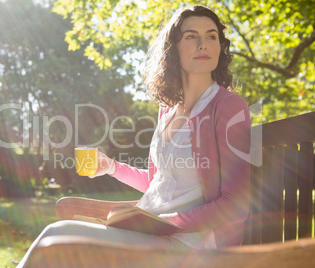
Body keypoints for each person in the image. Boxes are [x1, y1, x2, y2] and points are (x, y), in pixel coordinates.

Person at [18, 4, 251, 267]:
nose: (203, 44)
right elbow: (158, 183)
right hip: (149, 233)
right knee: (56, 238)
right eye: (191, 36)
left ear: (220, 46)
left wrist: (165, 223)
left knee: (56, 238)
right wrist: (112, 167)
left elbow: (235, 206)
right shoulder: (167, 110)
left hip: (189, 247)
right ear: (173, 48)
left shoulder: (228, 106)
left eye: (211, 36)